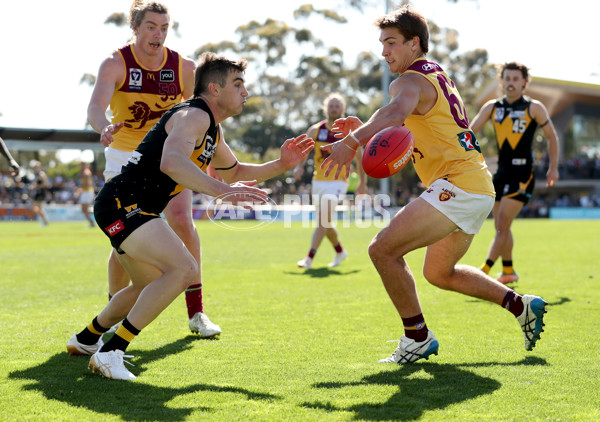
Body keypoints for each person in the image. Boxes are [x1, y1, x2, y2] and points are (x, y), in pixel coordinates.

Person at [320, 6, 548, 364]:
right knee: (438, 273)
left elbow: (395, 113)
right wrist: (364, 126)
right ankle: (520, 304)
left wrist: (351, 143)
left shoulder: (407, 80)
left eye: (391, 42)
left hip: (457, 183)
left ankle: (417, 338)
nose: (384, 52)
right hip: (475, 185)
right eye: (382, 43)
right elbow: (403, 119)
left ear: (414, 43)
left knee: (382, 250)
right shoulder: (435, 74)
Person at [66, 52, 314, 380]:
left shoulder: (212, 127)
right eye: (238, 84)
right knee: (184, 269)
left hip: (124, 205)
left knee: (147, 284)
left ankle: (86, 339)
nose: (245, 92)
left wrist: (282, 164)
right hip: (125, 204)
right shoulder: (193, 115)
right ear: (214, 89)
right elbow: (172, 162)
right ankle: (113, 351)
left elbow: (234, 170)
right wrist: (224, 193)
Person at [86, 0, 221, 337]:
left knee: (181, 221)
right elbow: (95, 106)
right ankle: (111, 314)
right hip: (123, 157)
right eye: (150, 27)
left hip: (168, 158)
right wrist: (103, 126)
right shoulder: (115, 63)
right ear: (135, 28)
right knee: (123, 246)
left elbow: (206, 115)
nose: (157, 34)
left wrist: (212, 158)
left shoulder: (183, 68)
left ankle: (197, 313)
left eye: (163, 28)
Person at [470, 62, 559, 284]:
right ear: (501, 81)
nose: (511, 83)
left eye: (515, 79)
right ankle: (508, 271)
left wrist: (553, 167)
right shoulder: (492, 107)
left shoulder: (534, 108)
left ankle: (484, 270)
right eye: (507, 78)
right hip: (500, 174)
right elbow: (470, 133)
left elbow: (552, 137)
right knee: (501, 226)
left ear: (524, 82)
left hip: (522, 175)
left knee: (502, 224)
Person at [294, 93, 366, 269]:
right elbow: (305, 150)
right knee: (324, 222)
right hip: (318, 181)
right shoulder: (315, 130)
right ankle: (340, 252)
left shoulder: (350, 133)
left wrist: (362, 183)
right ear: (326, 108)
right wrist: (299, 166)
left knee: (321, 221)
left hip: (339, 181)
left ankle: (309, 258)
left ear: (343, 109)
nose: (334, 109)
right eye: (331, 106)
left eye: (337, 106)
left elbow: (360, 157)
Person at [31, 161, 50, 226]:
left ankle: (45, 220)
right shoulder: (37, 175)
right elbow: (36, 183)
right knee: (38, 208)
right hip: (38, 193)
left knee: (35, 207)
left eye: (37, 167)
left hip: (41, 193)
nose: (35, 168)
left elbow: (45, 184)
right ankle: (44, 220)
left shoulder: (42, 174)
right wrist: (33, 186)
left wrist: (36, 186)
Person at [78, 161, 96, 228]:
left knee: (85, 209)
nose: (81, 166)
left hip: (87, 191)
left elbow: (87, 181)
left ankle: (92, 222)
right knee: (83, 209)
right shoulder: (84, 172)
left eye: (82, 165)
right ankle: (92, 222)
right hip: (85, 191)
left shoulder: (86, 172)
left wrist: (81, 187)